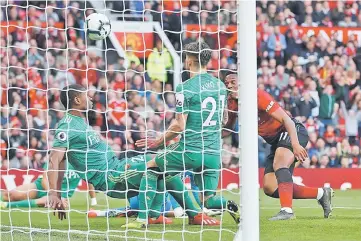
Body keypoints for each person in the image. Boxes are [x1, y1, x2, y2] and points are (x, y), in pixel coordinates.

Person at [126, 41, 240, 228]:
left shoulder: (184, 87)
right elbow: (224, 120)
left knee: (152, 167)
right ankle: (230, 206)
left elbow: (180, 125)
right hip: (213, 153)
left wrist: (159, 142)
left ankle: (142, 220)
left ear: (189, 61)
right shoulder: (220, 85)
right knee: (208, 200)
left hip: (190, 150)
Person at [46, 84, 172, 225]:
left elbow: (62, 160)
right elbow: (55, 160)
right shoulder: (67, 125)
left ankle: (189, 212)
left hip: (116, 164)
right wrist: (55, 193)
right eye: (86, 95)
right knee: (156, 165)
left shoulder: (81, 121)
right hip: (109, 175)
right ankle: (153, 215)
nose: (90, 98)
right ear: (77, 100)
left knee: (162, 159)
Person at [223, 72, 333, 221]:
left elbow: (286, 120)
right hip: (276, 141)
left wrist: (295, 144)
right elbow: (228, 128)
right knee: (270, 188)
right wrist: (210, 135)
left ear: (242, 82)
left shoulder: (257, 95)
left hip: (292, 131)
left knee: (280, 164)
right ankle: (321, 194)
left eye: (233, 82)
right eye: (226, 83)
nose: (229, 85)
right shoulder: (232, 103)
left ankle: (287, 211)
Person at [1, 162, 97, 208]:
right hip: (41, 186)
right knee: (10, 194)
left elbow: (90, 181)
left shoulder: (81, 163)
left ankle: (6, 205)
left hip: (61, 194)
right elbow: (44, 180)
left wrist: (93, 200)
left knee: (44, 201)